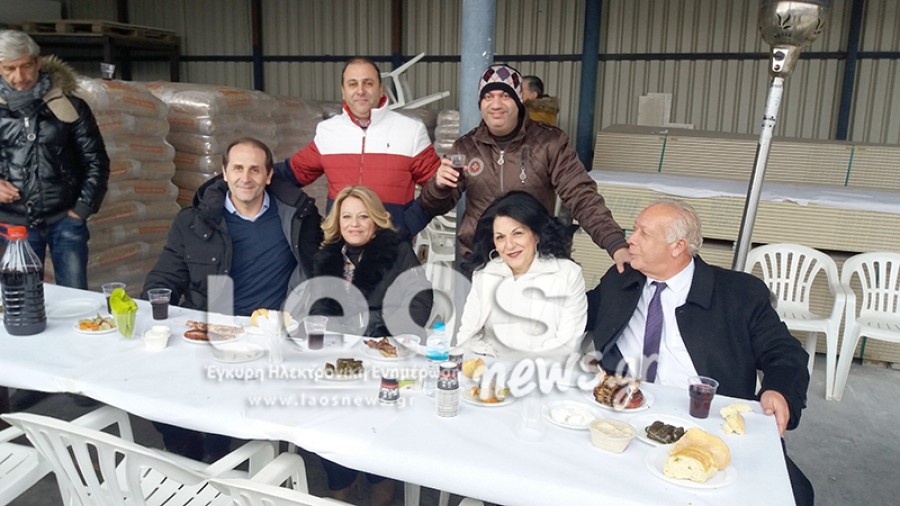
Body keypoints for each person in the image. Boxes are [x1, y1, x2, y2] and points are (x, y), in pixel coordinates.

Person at [585, 199, 813, 506]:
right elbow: (576, 312)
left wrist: (779, 390)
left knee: (792, 494)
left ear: (677, 246)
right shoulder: (620, 279)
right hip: (625, 415)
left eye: (643, 233)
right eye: (633, 229)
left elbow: (785, 352)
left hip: (706, 421)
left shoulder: (738, 294)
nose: (630, 240)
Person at [142, 137, 321, 461]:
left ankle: (217, 453)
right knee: (156, 397)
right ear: (224, 173)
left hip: (266, 335)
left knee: (224, 415)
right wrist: (149, 314)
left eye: (255, 169)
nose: (245, 177)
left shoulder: (297, 217)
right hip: (209, 329)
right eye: (237, 168)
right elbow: (166, 276)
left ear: (269, 175)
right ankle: (188, 453)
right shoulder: (192, 221)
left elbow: (319, 273)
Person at [421, 63, 629, 273]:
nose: (496, 104)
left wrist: (615, 243)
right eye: (488, 97)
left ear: (519, 99)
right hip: (482, 260)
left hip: (535, 262)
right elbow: (435, 206)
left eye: (505, 96)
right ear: (480, 103)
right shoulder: (465, 147)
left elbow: (581, 195)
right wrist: (438, 186)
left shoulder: (549, 142)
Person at [1, 29, 109, 411]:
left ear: (37, 61)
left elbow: (96, 161)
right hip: (15, 224)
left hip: (65, 219)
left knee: (77, 300)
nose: (19, 76)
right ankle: (33, 379)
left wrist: (81, 210)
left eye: (25, 66)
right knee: (22, 305)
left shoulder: (68, 106)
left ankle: (79, 380)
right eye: (9, 69)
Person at [307, 185, 432, 506]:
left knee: (379, 429)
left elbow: (420, 300)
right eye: (347, 216)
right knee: (330, 422)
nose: (354, 224)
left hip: (383, 357)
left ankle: (380, 481)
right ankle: (341, 483)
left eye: (363, 216)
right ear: (337, 221)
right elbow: (319, 303)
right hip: (340, 361)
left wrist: (379, 328)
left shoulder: (396, 251)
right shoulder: (328, 255)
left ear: (376, 219)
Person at [279, 56, 440, 239]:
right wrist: (256, 168)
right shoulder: (328, 131)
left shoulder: (410, 130)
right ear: (343, 91)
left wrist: (407, 226)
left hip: (392, 246)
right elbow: (293, 172)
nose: (360, 90)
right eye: (353, 84)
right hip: (340, 244)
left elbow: (440, 188)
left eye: (368, 83)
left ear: (380, 89)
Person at [457, 191, 586, 360]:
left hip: (547, 371)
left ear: (536, 234)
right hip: (491, 369)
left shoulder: (568, 274)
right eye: (500, 237)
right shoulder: (485, 274)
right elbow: (466, 336)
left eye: (517, 233)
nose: (509, 245)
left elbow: (567, 345)